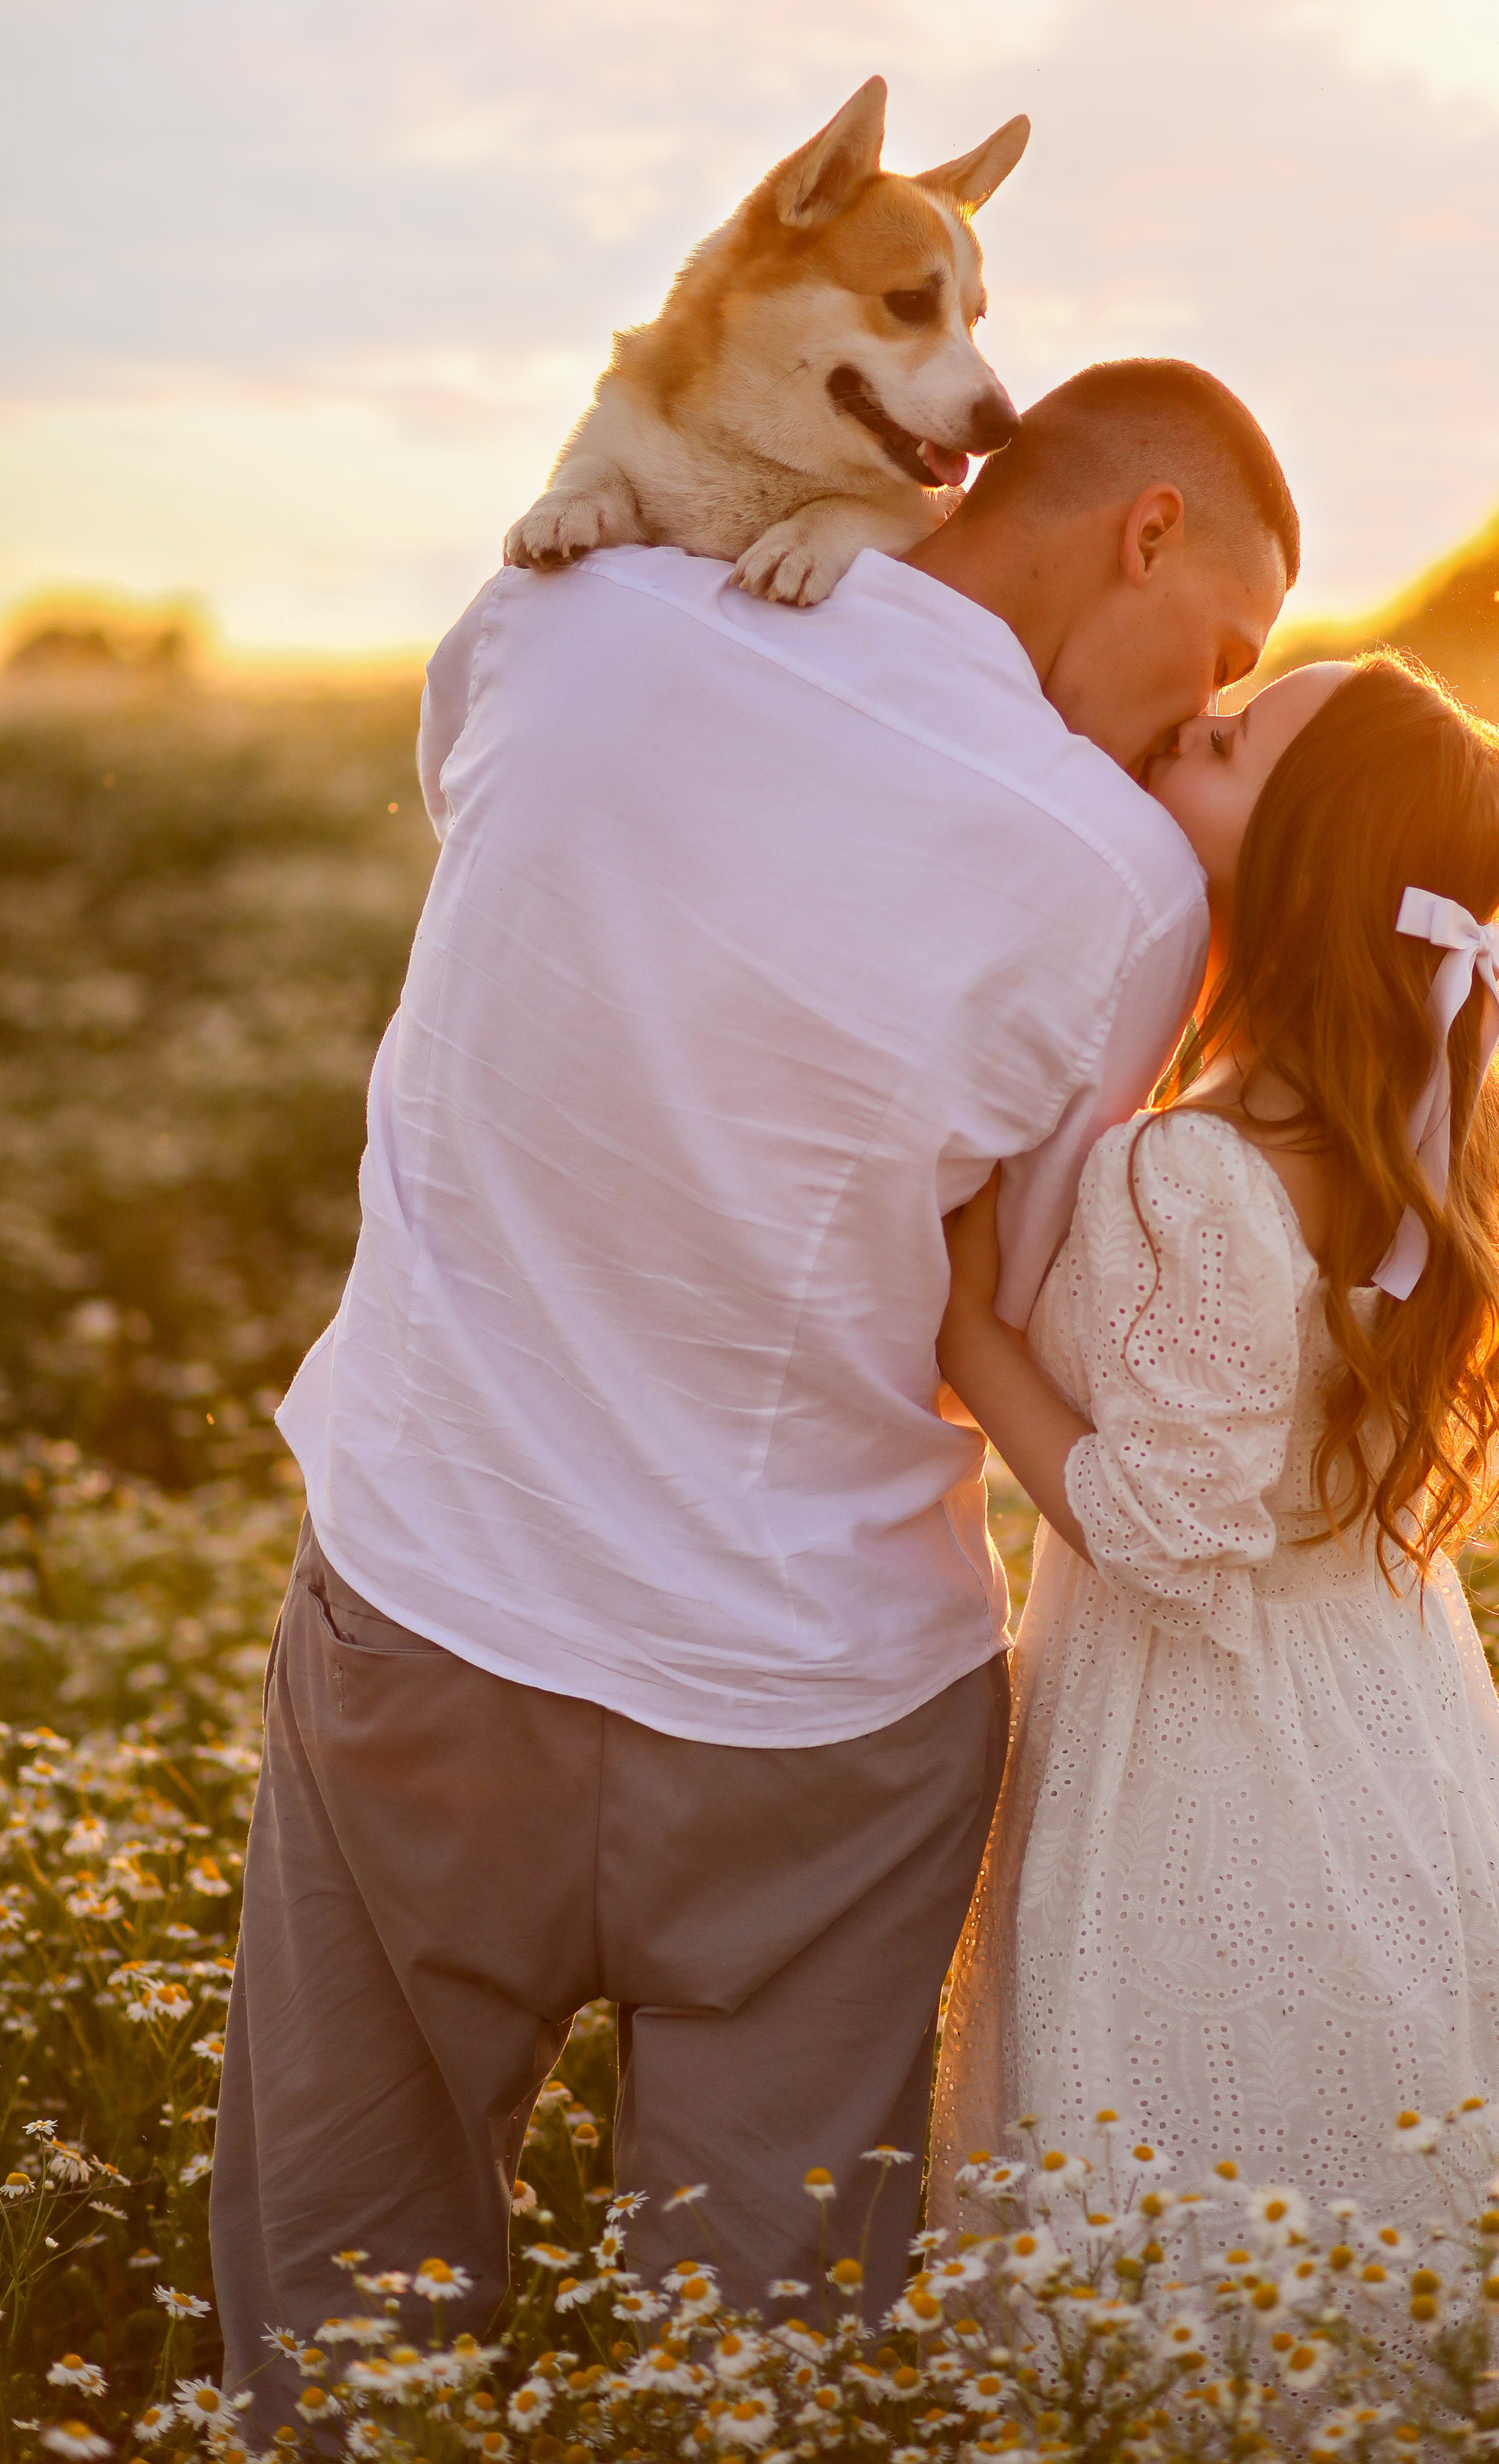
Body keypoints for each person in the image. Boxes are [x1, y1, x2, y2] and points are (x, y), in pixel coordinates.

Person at [209, 358, 1297, 2411]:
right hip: (831, 1720)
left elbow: (485, 822)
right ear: (1144, 528)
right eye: (1224, 649)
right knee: (766, 2379)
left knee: (342, 2316)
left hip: (444, 1620)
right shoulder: (1124, 883)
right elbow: (1037, 1285)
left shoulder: (578, 622)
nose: (1197, 711)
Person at [930, 651, 1499, 2238]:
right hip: (1401, 1766)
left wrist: (965, 1335)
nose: (1178, 732)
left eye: (1220, 743)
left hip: (1219, 1791)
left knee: (1160, 2267)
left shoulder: (1192, 1167)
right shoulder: (1410, 1125)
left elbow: (1166, 1531)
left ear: (1295, 855)